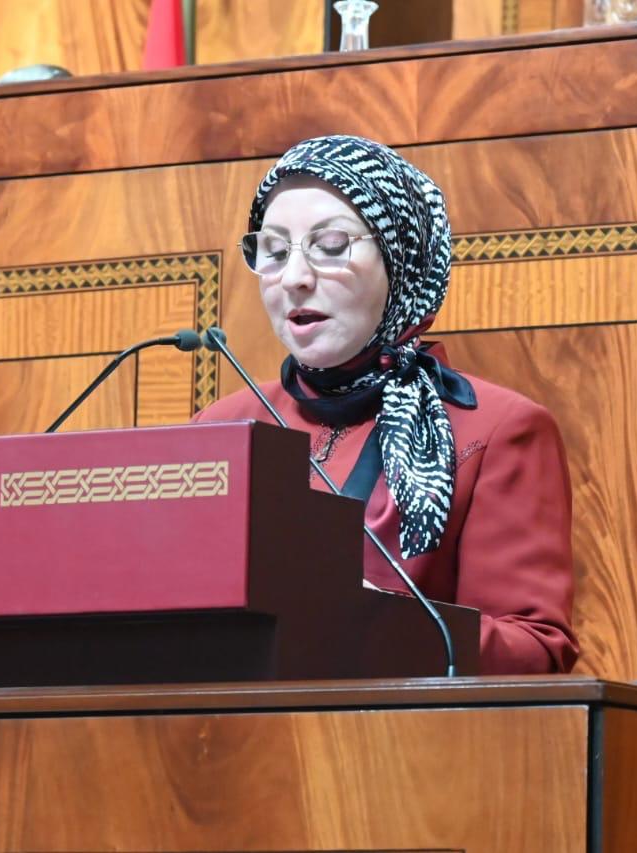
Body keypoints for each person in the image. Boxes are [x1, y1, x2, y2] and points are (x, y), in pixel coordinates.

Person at [195, 135, 578, 674]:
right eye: (275, 252)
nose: (295, 278)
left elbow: (535, 652)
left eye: (331, 246)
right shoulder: (220, 427)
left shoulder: (497, 429)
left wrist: (381, 621)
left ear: (402, 260)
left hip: (399, 727)